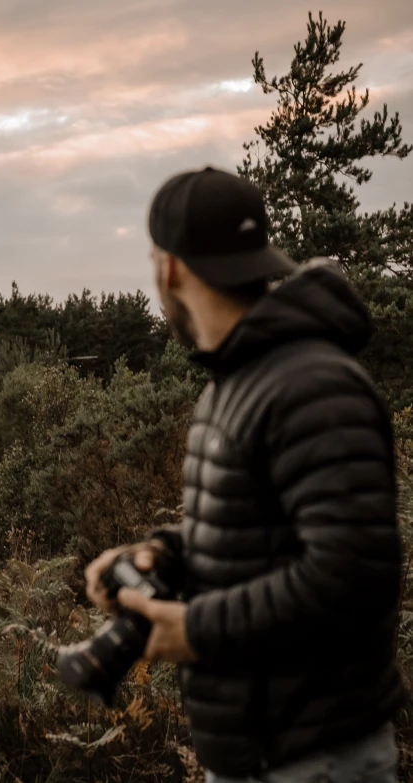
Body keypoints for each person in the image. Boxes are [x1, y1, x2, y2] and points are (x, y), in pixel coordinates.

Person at [85, 166, 406, 782]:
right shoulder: (240, 380)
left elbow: (354, 572)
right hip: (263, 755)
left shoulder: (310, 382)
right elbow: (257, 536)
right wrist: (157, 554)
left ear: (171, 268)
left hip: (314, 759)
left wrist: (198, 630)